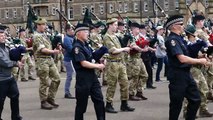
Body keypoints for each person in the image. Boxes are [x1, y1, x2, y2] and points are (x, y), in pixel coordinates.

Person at [164, 15, 208, 120]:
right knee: (176, 104)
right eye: (181, 24)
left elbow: (188, 53)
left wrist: (201, 54)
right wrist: (199, 61)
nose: (183, 26)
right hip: (177, 75)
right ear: (174, 26)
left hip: (186, 74)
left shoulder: (180, 39)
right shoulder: (172, 40)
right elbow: (182, 58)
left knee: (196, 99)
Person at [71, 23, 105, 120]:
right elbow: (83, 63)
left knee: (99, 100)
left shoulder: (86, 45)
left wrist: (101, 51)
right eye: (85, 32)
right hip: (83, 79)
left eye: (88, 31)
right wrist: (98, 66)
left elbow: (92, 56)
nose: (88, 34)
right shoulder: (77, 47)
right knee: (81, 106)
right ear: (78, 34)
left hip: (92, 77)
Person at [103, 18, 135, 113]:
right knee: (112, 85)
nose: (117, 26)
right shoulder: (107, 37)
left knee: (125, 83)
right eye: (115, 25)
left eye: (117, 25)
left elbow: (123, 42)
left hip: (121, 62)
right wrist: (124, 49)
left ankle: (124, 104)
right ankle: (109, 104)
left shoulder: (115, 36)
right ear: (110, 25)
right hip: (113, 63)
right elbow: (113, 51)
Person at [33, 17, 61, 110]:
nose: (45, 26)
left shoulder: (44, 35)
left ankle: (50, 98)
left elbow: (49, 45)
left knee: (57, 79)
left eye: (45, 24)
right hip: (42, 60)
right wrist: (54, 52)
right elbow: (42, 49)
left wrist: (57, 45)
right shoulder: (36, 36)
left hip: (49, 59)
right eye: (43, 25)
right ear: (38, 25)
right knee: (44, 82)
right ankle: (43, 101)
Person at [0, 25, 23, 120]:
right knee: (0, 101)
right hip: (1, 80)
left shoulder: (6, 47)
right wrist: (16, 63)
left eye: (4, 35)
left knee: (15, 95)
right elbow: (5, 62)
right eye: (1, 35)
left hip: (9, 77)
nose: (3, 37)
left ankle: (15, 116)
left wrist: (19, 54)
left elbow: (12, 55)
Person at [127, 21, 148, 101]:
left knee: (144, 75)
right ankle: (131, 94)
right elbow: (134, 46)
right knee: (134, 77)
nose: (139, 30)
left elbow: (145, 43)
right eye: (137, 29)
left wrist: (147, 48)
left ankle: (139, 91)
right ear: (134, 29)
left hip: (139, 58)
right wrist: (142, 50)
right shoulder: (131, 37)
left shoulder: (139, 37)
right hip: (133, 59)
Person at [63, 23, 75, 99]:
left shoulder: (72, 38)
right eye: (71, 29)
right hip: (69, 60)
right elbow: (71, 49)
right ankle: (67, 92)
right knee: (70, 76)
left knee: (71, 76)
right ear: (67, 30)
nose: (73, 31)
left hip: (72, 59)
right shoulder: (67, 39)